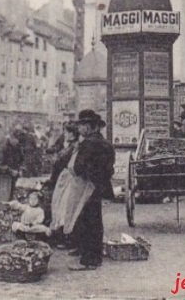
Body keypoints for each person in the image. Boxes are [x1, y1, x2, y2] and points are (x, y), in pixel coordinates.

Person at [68, 109, 114, 271]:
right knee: (95, 220)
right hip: (99, 185)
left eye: (82, 126)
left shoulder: (88, 144)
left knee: (85, 221)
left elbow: (78, 168)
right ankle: (94, 256)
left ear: (89, 127)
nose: (79, 129)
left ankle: (89, 259)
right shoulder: (106, 143)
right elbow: (110, 168)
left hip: (86, 186)